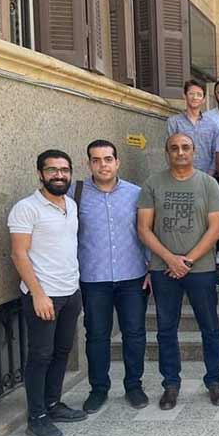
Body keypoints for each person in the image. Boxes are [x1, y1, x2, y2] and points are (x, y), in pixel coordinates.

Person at [137, 133, 219, 411]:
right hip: (164, 271)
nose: (180, 152)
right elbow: (143, 228)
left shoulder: (208, 184)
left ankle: (214, 381)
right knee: (166, 330)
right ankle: (171, 384)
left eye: (185, 147)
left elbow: (216, 229)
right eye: (174, 148)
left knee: (210, 328)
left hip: (200, 270)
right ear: (167, 153)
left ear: (194, 151)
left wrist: (186, 261)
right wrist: (169, 260)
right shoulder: (153, 183)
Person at [8, 149, 86, 436]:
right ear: (40, 174)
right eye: (52, 170)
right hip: (43, 294)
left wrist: (76, 287)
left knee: (62, 351)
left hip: (70, 291)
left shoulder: (71, 205)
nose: (59, 175)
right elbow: (19, 254)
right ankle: (37, 416)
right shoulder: (26, 208)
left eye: (64, 170)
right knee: (40, 355)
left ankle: (53, 403)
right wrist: (38, 294)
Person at [70, 140, 150, 414]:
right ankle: (99, 388)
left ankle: (134, 386)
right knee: (96, 335)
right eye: (96, 160)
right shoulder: (75, 194)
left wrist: (150, 266)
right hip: (94, 278)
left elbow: (146, 232)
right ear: (88, 163)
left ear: (117, 162)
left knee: (135, 333)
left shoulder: (136, 194)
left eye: (107, 159)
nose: (102, 165)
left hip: (133, 276)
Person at [165, 79, 219, 175]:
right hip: (180, 174)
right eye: (191, 94)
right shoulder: (173, 122)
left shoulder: (212, 124)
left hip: (206, 176)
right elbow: (168, 150)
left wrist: (210, 174)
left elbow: (215, 152)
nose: (195, 97)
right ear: (184, 96)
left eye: (199, 94)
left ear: (204, 99)